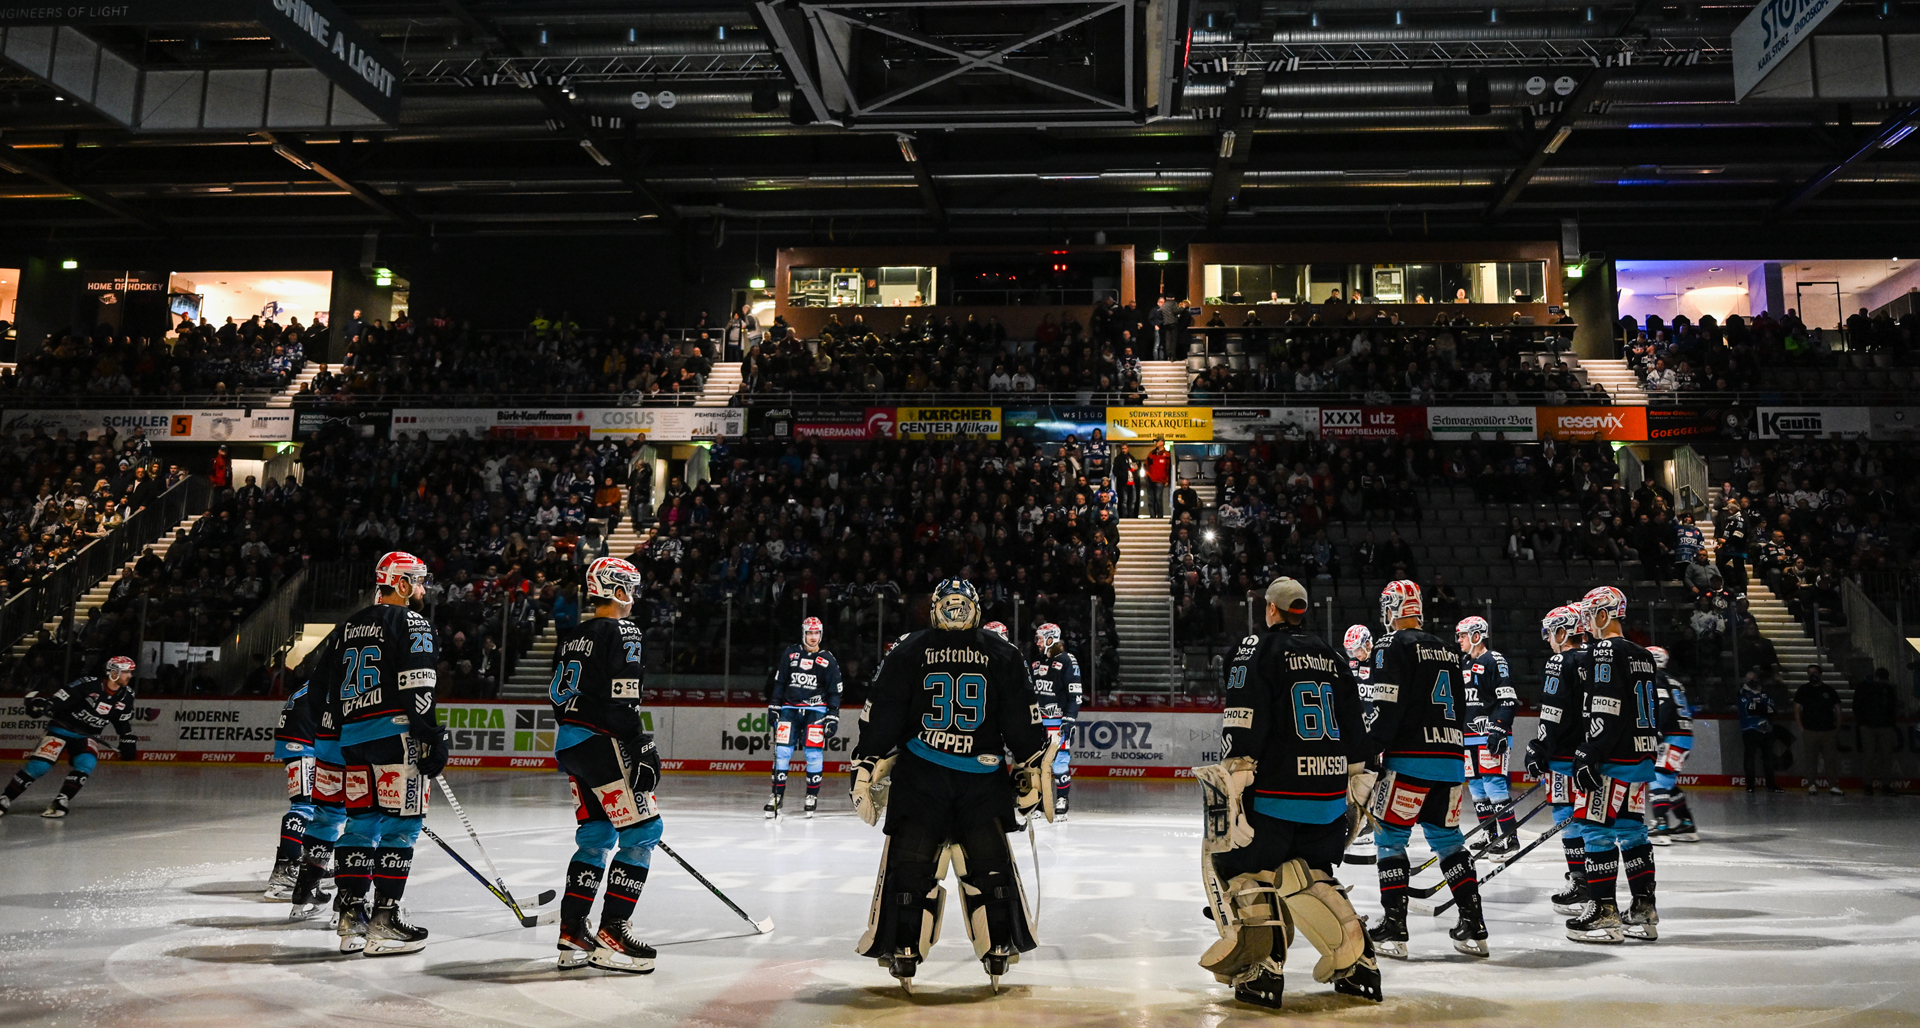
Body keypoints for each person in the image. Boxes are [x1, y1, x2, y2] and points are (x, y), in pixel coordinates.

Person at [848, 579, 1051, 990]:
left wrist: (866, 764)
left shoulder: (907, 648)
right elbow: (1024, 723)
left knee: (911, 870)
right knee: (989, 870)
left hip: (922, 777)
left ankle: (904, 949)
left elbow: (882, 712)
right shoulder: (1003, 651)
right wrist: (1032, 773)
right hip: (982, 781)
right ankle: (997, 947)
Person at [1196, 578, 1380, 1009]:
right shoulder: (1334, 656)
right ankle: (1359, 964)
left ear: (1271, 611)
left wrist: (1235, 788)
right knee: (1313, 874)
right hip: (1329, 799)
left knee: (1242, 869)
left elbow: (1243, 721)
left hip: (1275, 797)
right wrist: (1356, 786)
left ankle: (1261, 971)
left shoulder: (1255, 648)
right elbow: (1356, 730)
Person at [331, 552, 449, 956]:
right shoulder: (413, 621)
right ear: (399, 584)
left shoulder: (349, 624)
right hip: (395, 736)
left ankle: (350, 917)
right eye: (417, 581)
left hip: (352, 737)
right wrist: (432, 736)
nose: (421, 589)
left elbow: (328, 688)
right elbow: (418, 688)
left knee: (360, 825)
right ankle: (385, 919)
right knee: (402, 827)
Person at [1364, 580, 1487, 959]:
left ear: (1393, 609)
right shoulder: (1450, 650)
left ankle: (1394, 928)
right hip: (1451, 761)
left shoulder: (1390, 645)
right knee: (1450, 842)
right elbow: (1462, 710)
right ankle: (1474, 924)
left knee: (1390, 839)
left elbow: (1386, 708)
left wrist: (1369, 750)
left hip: (1409, 761)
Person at [551, 556, 662, 973]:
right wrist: (638, 743)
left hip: (570, 743)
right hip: (603, 740)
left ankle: (572, 931)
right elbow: (622, 699)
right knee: (644, 830)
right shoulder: (624, 630)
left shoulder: (572, 635)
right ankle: (613, 934)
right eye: (629, 588)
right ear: (617, 590)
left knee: (596, 834)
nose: (633, 597)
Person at [1564, 586, 1660, 944]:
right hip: (1640, 756)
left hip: (1612, 759)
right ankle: (1643, 909)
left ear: (1604, 615)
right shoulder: (1644, 654)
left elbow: (1606, 704)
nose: (1587, 622)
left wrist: (1591, 749)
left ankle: (1604, 912)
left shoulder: (1604, 649)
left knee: (1594, 829)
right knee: (1633, 831)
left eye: (1591, 614)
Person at [0, 655, 140, 819]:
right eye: (126, 672)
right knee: (39, 766)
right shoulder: (88, 684)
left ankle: (61, 800)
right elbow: (60, 699)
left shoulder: (128, 695)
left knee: (87, 762)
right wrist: (46, 705)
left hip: (87, 735)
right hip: (61, 729)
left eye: (130, 672)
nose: (129, 676)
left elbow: (122, 720)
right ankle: (4, 799)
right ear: (113, 672)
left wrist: (126, 738)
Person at [1523, 605, 1593, 917]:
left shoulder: (1559, 661)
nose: (1549, 641)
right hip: (1595, 754)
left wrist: (1539, 747)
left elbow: (1553, 712)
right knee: (1594, 820)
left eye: (1551, 633)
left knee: (1567, 815)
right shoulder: (1597, 658)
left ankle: (1581, 882)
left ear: (1563, 632)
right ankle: (1596, 883)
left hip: (1565, 757)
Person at [764, 616, 843, 818]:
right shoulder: (791, 654)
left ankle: (811, 796)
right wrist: (774, 706)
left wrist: (833, 716)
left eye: (816, 633)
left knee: (813, 754)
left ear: (821, 634)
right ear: (803, 633)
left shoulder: (828, 660)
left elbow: (835, 691)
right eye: (809, 633)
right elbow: (780, 682)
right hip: (789, 709)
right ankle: (776, 796)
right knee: (782, 752)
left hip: (816, 711)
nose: (813, 637)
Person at [1455, 616, 1518, 859]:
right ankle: (1489, 834)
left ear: (1476, 636)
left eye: (1463, 635)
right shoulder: (1462, 663)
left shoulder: (1495, 659)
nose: (1459, 640)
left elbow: (1508, 698)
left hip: (1489, 734)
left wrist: (1499, 728)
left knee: (1494, 785)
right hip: (1468, 735)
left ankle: (1509, 838)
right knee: (1477, 789)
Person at [265, 669, 319, 900]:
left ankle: (308, 863)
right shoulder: (334, 682)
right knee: (304, 806)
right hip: (303, 745)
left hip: (297, 743)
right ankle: (285, 868)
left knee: (317, 806)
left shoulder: (311, 682)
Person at [1029, 622, 1083, 820]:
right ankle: (1038, 800)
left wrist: (1069, 719)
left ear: (1051, 638)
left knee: (1060, 762)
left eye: (1041, 639)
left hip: (1057, 721)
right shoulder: (1036, 663)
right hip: (1038, 721)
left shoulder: (1068, 660)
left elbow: (1075, 694)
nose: (1038, 643)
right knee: (1036, 762)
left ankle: (1062, 798)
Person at [1645, 647, 1698, 844]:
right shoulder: (1674, 680)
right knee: (1667, 780)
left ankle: (1661, 827)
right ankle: (1686, 823)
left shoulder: (1655, 677)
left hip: (1671, 735)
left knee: (1658, 779)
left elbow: (1664, 704)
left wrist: (1657, 731)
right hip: (1683, 734)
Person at [1794, 665, 1844, 795]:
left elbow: (1838, 709)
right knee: (1811, 758)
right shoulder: (1803, 690)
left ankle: (1833, 785)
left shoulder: (1829, 690)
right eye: (1810, 673)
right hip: (1810, 730)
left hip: (1828, 730)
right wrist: (1802, 728)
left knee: (1830, 759)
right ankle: (1811, 784)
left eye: (1815, 673)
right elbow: (1797, 709)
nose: (1813, 675)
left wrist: (1837, 727)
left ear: (1820, 674)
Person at [1853, 667, 1902, 795]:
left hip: (1882, 726)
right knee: (1870, 757)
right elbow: (1857, 705)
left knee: (1886, 756)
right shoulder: (1864, 687)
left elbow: (1893, 706)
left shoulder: (1887, 689)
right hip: (1869, 726)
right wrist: (1862, 722)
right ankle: (1869, 785)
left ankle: (1884, 784)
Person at [1737, 673, 1781, 792]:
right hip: (1749, 728)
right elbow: (1748, 709)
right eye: (1749, 679)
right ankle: (1750, 785)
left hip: (1766, 728)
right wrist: (1763, 708)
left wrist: (1758, 707)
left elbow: (1772, 710)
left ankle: (1771, 785)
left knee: (1768, 758)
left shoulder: (1765, 693)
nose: (1752, 681)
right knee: (1750, 757)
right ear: (1745, 680)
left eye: (1754, 678)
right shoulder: (1742, 694)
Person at [1146, 439, 1171, 518]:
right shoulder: (1152, 454)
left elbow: (1168, 469)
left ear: (1162, 442)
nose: (1156, 443)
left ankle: (1160, 516)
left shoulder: (1166, 455)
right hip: (1150, 479)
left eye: (1158, 441)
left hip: (1160, 480)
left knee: (1158, 499)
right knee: (1151, 500)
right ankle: (1152, 516)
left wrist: (1167, 480)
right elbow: (1146, 464)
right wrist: (1147, 474)